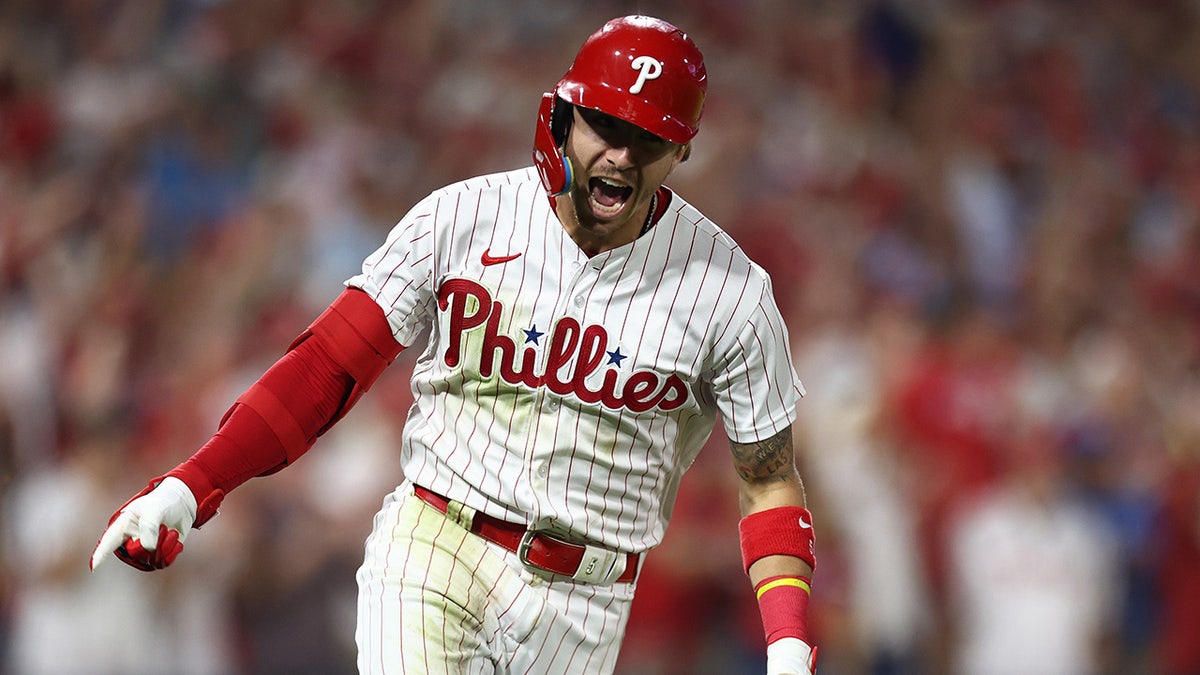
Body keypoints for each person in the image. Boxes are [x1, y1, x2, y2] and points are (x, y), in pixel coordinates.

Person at [91, 15, 819, 674]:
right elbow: (328, 364)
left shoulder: (730, 292)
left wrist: (786, 641)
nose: (622, 155)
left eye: (649, 138)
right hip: (438, 546)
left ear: (681, 152)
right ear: (562, 115)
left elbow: (767, 477)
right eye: (605, 123)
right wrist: (194, 482)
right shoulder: (463, 217)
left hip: (588, 602)